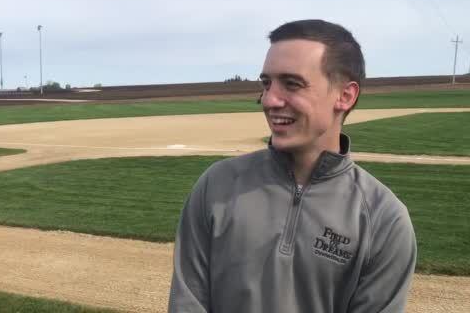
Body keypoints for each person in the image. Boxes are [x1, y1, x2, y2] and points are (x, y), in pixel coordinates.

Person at [168, 19, 417, 313]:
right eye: (266, 83)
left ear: (345, 96)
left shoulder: (383, 220)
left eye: (292, 84)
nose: (270, 99)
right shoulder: (217, 185)